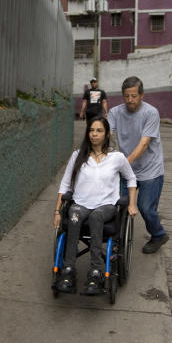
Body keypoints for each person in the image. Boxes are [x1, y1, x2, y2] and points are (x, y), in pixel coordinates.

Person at [54, 116, 137, 295]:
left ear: (107, 134)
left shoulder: (117, 157)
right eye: (92, 130)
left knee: (96, 216)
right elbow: (65, 184)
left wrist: (131, 203)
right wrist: (57, 211)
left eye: (99, 131)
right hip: (81, 204)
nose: (94, 134)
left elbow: (131, 178)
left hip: (106, 206)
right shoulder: (78, 155)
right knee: (74, 214)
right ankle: (68, 270)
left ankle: (96, 271)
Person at [107, 76, 169, 254]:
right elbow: (107, 134)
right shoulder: (115, 112)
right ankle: (117, 240)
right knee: (118, 204)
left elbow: (144, 143)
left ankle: (158, 235)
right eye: (126, 96)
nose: (130, 100)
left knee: (145, 207)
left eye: (134, 96)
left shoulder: (151, 113)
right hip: (127, 170)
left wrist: (125, 162)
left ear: (142, 95)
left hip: (151, 169)